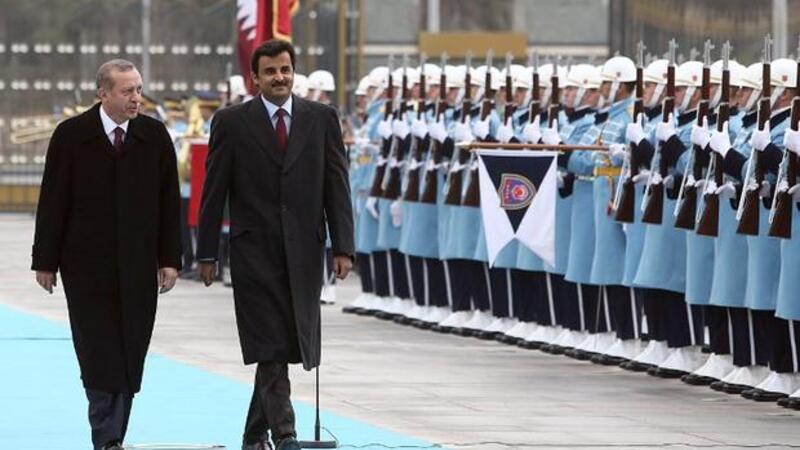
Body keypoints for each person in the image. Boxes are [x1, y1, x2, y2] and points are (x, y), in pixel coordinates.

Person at [196, 39, 354, 450]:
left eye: (285, 69)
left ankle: (254, 435)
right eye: (270, 71)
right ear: (255, 78)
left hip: (304, 253)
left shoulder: (321, 119)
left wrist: (343, 246)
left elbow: (336, 184)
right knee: (268, 343)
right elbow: (214, 191)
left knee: (282, 346)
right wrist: (207, 252)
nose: (279, 77)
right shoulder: (231, 122)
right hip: (254, 253)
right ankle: (286, 434)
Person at [31, 58, 182, 450]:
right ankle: (108, 438)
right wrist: (45, 260)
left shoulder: (154, 136)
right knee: (98, 350)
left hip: (137, 264)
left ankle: (113, 435)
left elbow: (169, 203)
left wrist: (170, 258)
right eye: (127, 91)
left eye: (139, 89)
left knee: (131, 348)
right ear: (103, 93)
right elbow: (53, 199)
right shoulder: (71, 136)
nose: (137, 98)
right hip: (85, 266)